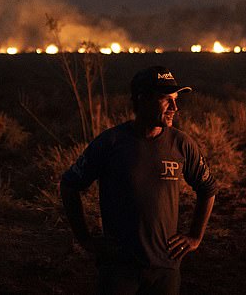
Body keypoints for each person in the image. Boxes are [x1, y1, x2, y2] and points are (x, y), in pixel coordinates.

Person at [60, 66, 217, 295]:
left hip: (165, 268)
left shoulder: (181, 144)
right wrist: (85, 239)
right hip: (119, 269)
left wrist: (195, 236)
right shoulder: (111, 142)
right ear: (142, 99)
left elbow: (208, 188)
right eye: (166, 100)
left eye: (176, 100)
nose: (175, 107)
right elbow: (69, 185)